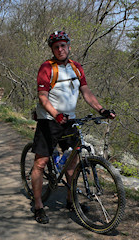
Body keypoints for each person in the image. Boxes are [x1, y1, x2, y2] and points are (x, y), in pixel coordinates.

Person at [31, 30, 115, 224]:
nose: (60, 49)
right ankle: (38, 206)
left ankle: (71, 201)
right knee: (40, 163)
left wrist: (101, 109)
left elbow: (85, 91)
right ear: (52, 49)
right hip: (48, 120)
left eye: (63, 45)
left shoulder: (76, 67)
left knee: (72, 162)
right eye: (56, 46)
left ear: (69, 46)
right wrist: (56, 114)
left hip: (70, 121)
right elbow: (42, 97)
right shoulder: (47, 67)